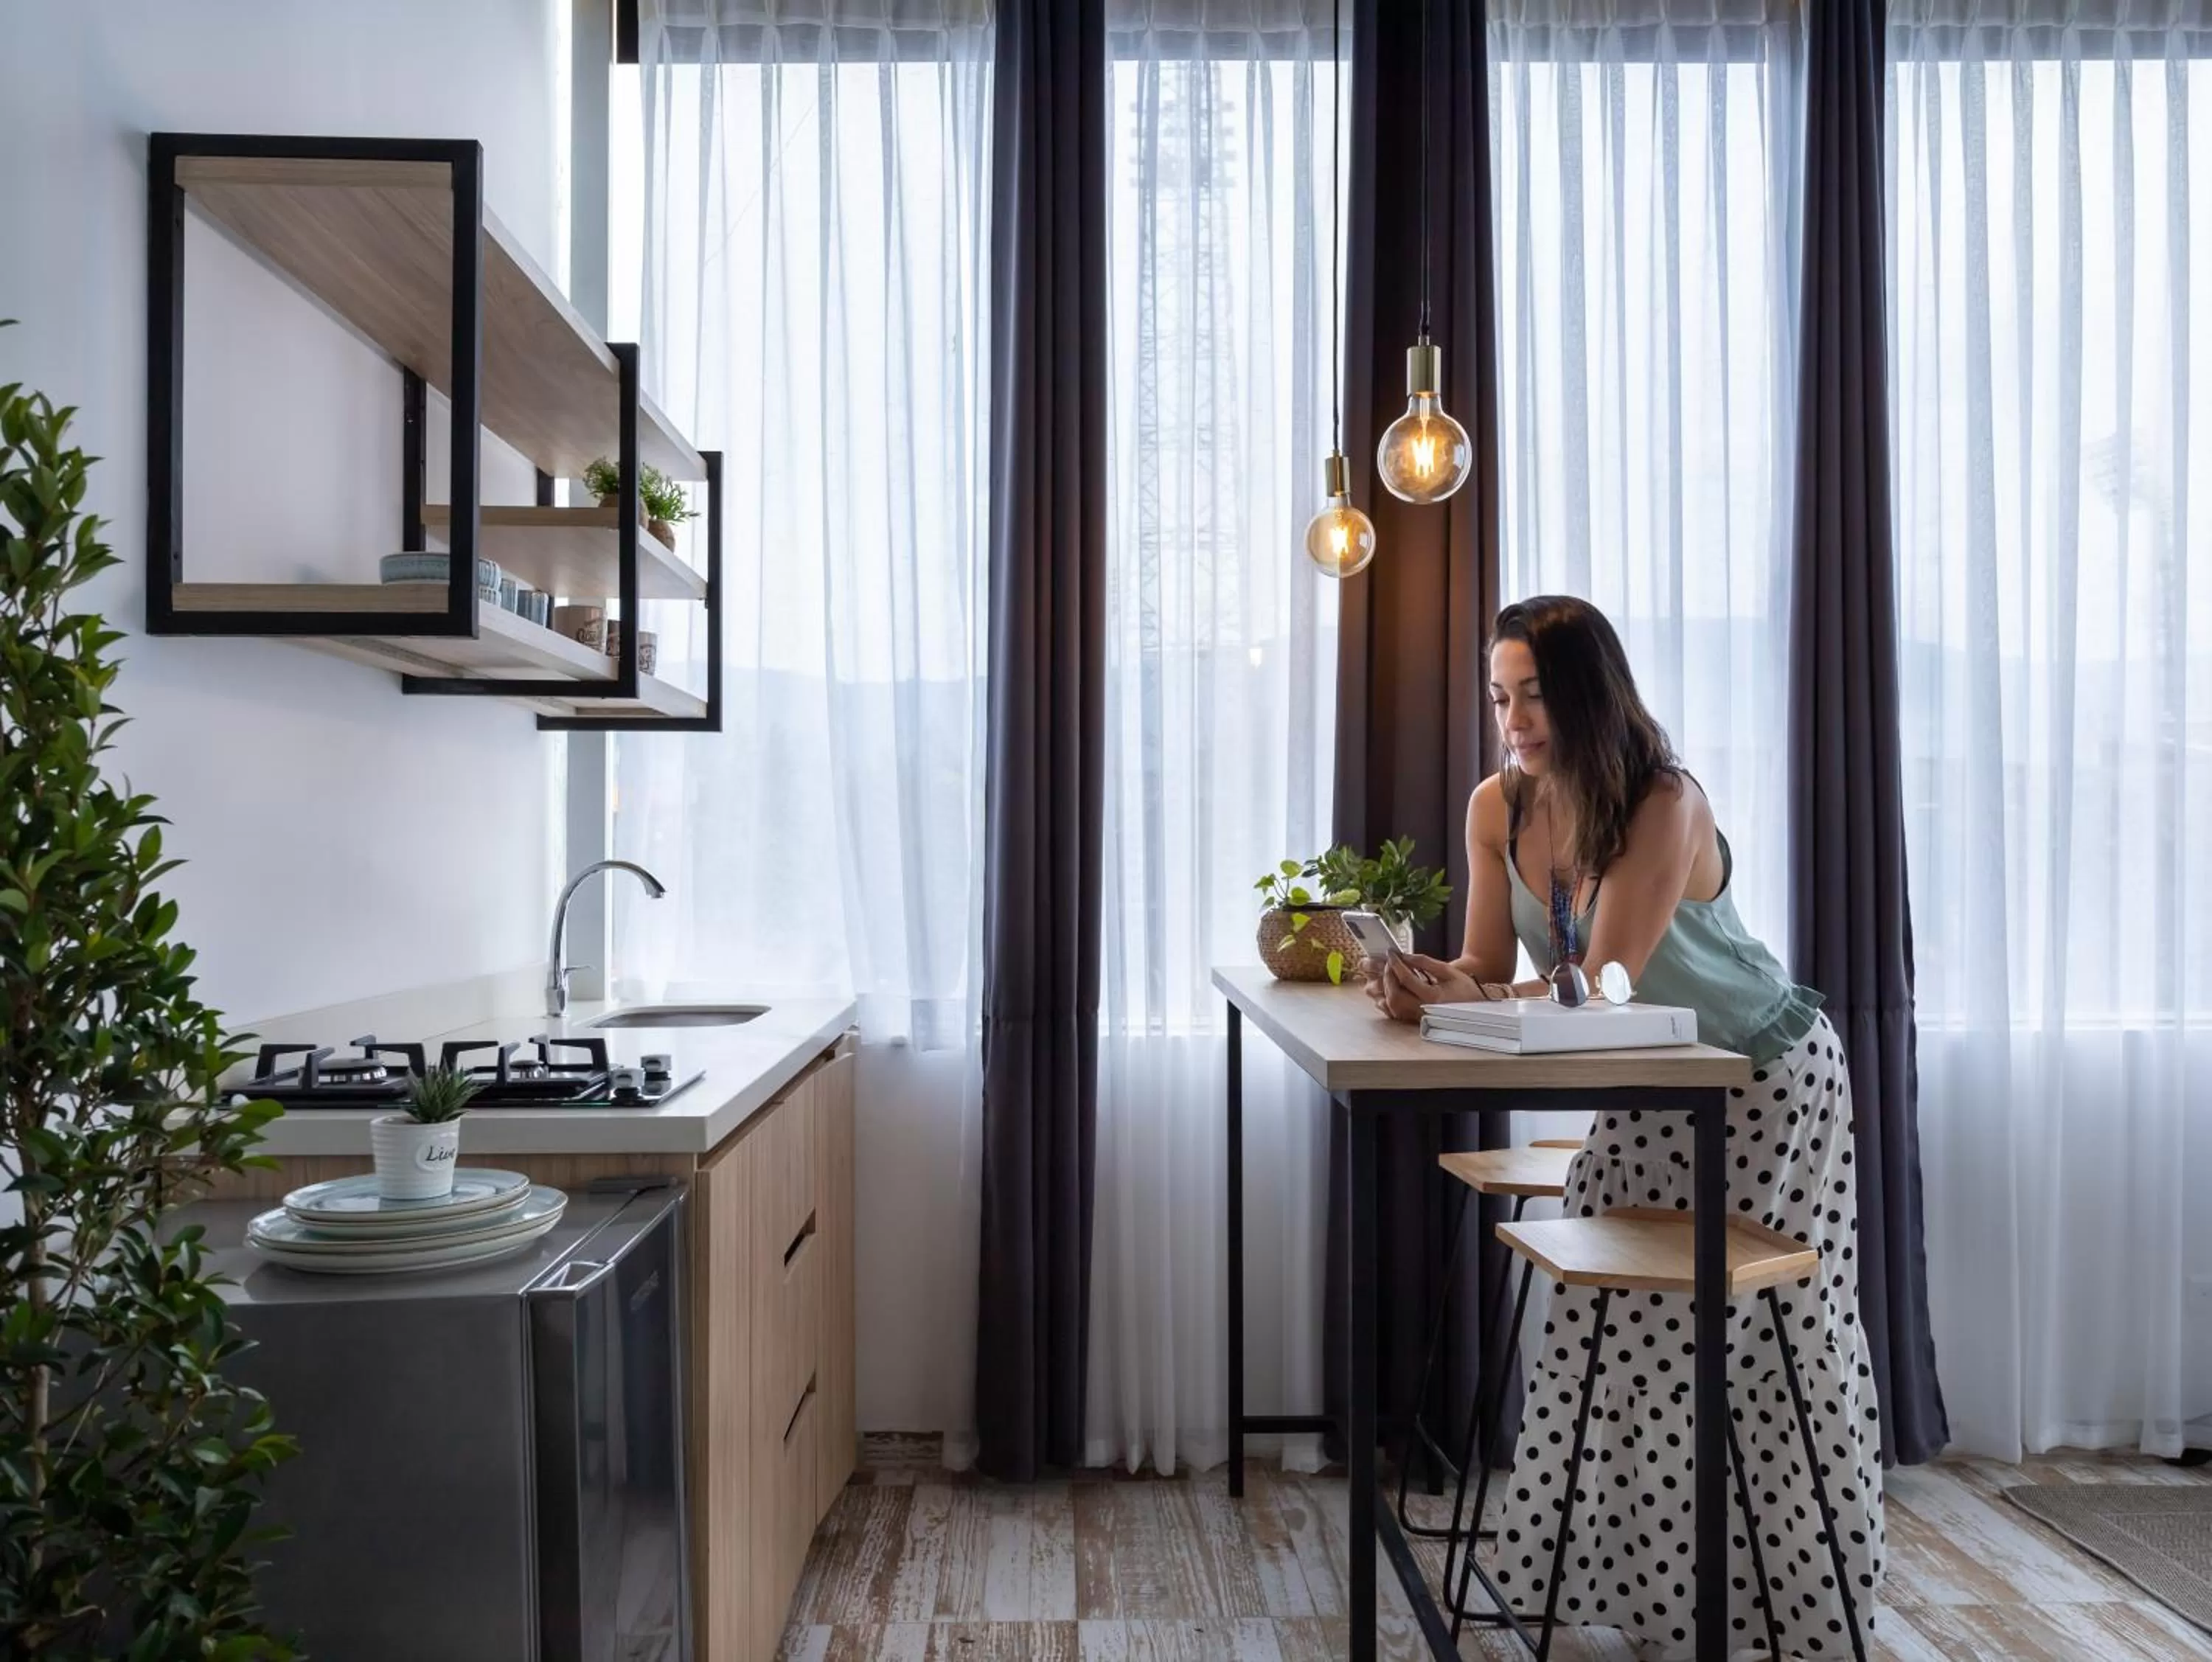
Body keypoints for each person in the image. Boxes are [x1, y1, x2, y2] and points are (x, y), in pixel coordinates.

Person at [1364, 594, 1885, 1660]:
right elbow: (1494, 970)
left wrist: (1470, 1004)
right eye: (1501, 694)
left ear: (1588, 692)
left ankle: (1774, 1609)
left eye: (1536, 693)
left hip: (1762, 1079)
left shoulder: (1664, 802)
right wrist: (1430, 981)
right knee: (1606, 1331)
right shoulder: (1497, 807)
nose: (1513, 718)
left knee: (1738, 1341)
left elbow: (1602, 984)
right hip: (1651, 1093)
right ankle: (1654, 1597)